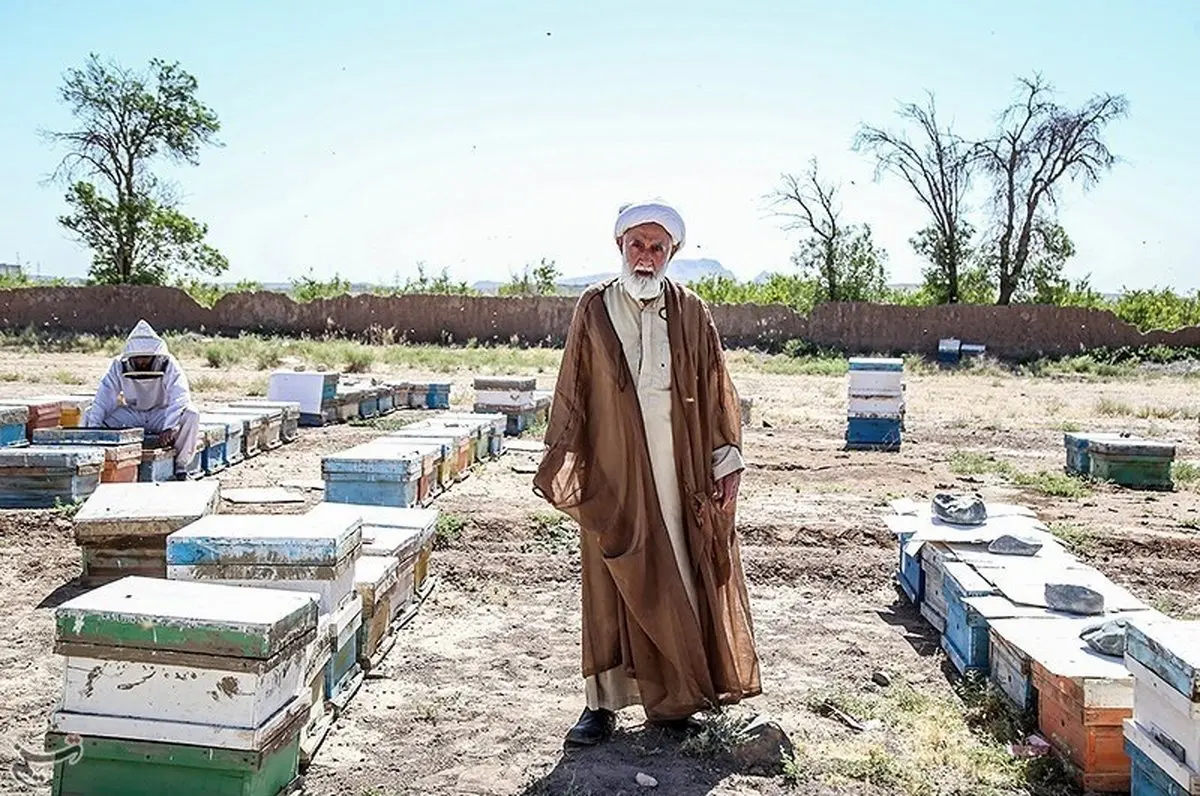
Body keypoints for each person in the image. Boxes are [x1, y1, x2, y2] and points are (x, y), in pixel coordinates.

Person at [533, 200, 761, 747]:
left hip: (678, 469)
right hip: (613, 472)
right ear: (619, 247)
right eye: (637, 244)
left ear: (672, 253)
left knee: (679, 573)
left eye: (657, 247)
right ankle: (602, 705)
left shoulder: (691, 311)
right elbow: (574, 389)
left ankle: (674, 698)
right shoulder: (593, 308)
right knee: (610, 581)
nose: (646, 256)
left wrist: (726, 458)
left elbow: (714, 389)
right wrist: (572, 463)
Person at [83, 320, 201, 480]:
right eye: (138, 358)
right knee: (90, 414)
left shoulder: (168, 364)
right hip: (133, 414)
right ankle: (92, 460)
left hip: (161, 414)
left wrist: (170, 426)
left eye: (146, 357)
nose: (142, 362)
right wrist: (93, 431)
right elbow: (104, 396)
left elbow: (180, 395)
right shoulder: (119, 365)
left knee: (191, 414)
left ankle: (180, 466)